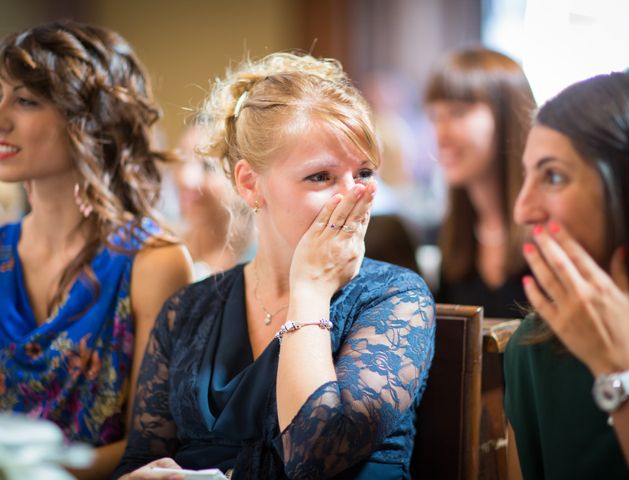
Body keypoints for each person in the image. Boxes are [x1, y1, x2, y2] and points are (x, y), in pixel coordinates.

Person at [113, 52, 436, 480]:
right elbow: (139, 460)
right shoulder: (187, 310)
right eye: (320, 176)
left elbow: (314, 457)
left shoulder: (396, 299)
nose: (352, 195)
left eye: (363, 172)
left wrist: (310, 291)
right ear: (250, 183)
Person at [0, 21, 193, 479]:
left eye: (25, 100)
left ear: (89, 119)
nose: (1, 115)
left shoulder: (153, 263)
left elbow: (151, 447)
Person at [504, 69, 629, 479]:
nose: (523, 210)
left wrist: (622, 370)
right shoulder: (532, 348)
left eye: (554, 176)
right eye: (528, 175)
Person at [425, 47, 535, 318]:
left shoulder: (553, 235)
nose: (441, 135)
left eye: (458, 113)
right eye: (435, 117)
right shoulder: (453, 237)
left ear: (508, 119)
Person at [172, 121, 254, 280]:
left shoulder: (260, 257)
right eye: (182, 159)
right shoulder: (168, 249)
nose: (186, 178)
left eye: (208, 166)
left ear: (243, 176)